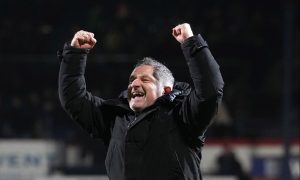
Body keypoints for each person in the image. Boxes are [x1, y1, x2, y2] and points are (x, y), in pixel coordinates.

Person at [58, 23, 224, 180]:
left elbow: (210, 91)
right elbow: (74, 99)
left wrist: (192, 43)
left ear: (166, 89)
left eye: (145, 79)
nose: (134, 84)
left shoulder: (184, 116)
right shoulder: (115, 117)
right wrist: (75, 56)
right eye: (132, 80)